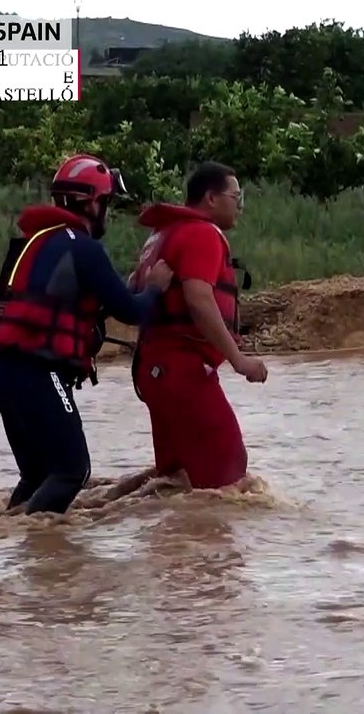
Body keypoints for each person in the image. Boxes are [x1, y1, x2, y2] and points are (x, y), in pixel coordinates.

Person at [0, 154, 174, 515]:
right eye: (107, 203)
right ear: (92, 203)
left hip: (1, 368)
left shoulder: (34, 241)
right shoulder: (84, 247)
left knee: (37, 474)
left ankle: (11, 544)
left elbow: (55, 300)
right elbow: (132, 312)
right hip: (35, 370)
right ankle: (39, 543)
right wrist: (156, 288)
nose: (107, 213)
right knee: (72, 470)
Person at [128, 161, 268, 491]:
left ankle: (177, 541)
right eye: (236, 197)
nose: (240, 207)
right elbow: (199, 298)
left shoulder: (162, 234)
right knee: (230, 477)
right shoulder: (201, 233)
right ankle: (213, 545)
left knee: (176, 482)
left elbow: (134, 286)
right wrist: (239, 360)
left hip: (153, 371)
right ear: (211, 198)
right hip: (183, 370)